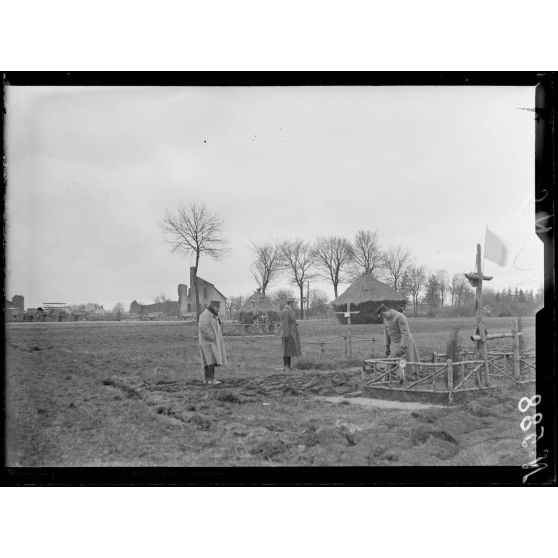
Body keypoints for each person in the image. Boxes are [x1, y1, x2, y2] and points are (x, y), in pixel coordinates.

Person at [377, 302, 420, 379]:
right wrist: (386, 346)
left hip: (405, 342)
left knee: (408, 361)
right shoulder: (386, 319)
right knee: (392, 361)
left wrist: (403, 346)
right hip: (395, 343)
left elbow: (405, 332)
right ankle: (392, 376)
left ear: (387, 310)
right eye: (382, 315)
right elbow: (386, 333)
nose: (383, 317)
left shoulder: (399, 317)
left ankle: (411, 376)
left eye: (384, 314)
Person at [198, 300, 227, 385]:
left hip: (211, 342)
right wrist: (212, 337)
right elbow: (202, 327)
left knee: (210, 360)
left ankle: (208, 379)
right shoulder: (205, 315)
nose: (218, 309)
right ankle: (210, 379)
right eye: (217, 308)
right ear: (213, 307)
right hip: (207, 342)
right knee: (210, 360)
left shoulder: (213, 316)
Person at [281, 297, 301, 370]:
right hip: (287, 333)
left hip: (292, 333)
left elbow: (291, 321)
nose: (294, 304)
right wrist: (286, 335)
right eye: (293, 303)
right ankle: (285, 366)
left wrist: (295, 323)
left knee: (290, 349)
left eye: (294, 302)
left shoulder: (291, 311)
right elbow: (285, 324)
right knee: (286, 350)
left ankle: (289, 366)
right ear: (289, 303)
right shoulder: (285, 311)